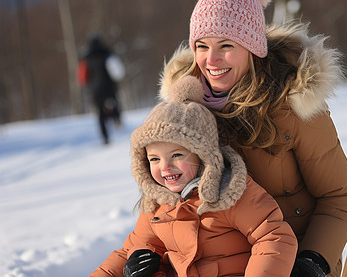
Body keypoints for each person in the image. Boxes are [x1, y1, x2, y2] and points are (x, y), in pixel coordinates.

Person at [158, 0, 347, 276]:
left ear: (252, 48)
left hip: (292, 258)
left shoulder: (293, 104)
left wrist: (313, 260)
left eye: (225, 45)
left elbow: (339, 195)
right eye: (201, 46)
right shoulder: (185, 114)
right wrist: (148, 251)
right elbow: (166, 199)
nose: (211, 60)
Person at [90, 76, 298, 277]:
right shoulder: (157, 204)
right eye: (154, 159)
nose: (165, 167)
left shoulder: (230, 192)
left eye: (177, 155)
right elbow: (133, 249)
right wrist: (137, 263)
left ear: (203, 155)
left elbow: (273, 237)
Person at [78, 34, 125, 145]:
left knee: (99, 112)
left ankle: (105, 137)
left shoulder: (86, 58)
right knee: (113, 103)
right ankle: (116, 118)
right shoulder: (107, 54)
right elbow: (118, 72)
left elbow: (82, 77)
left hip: (95, 90)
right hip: (109, 87)